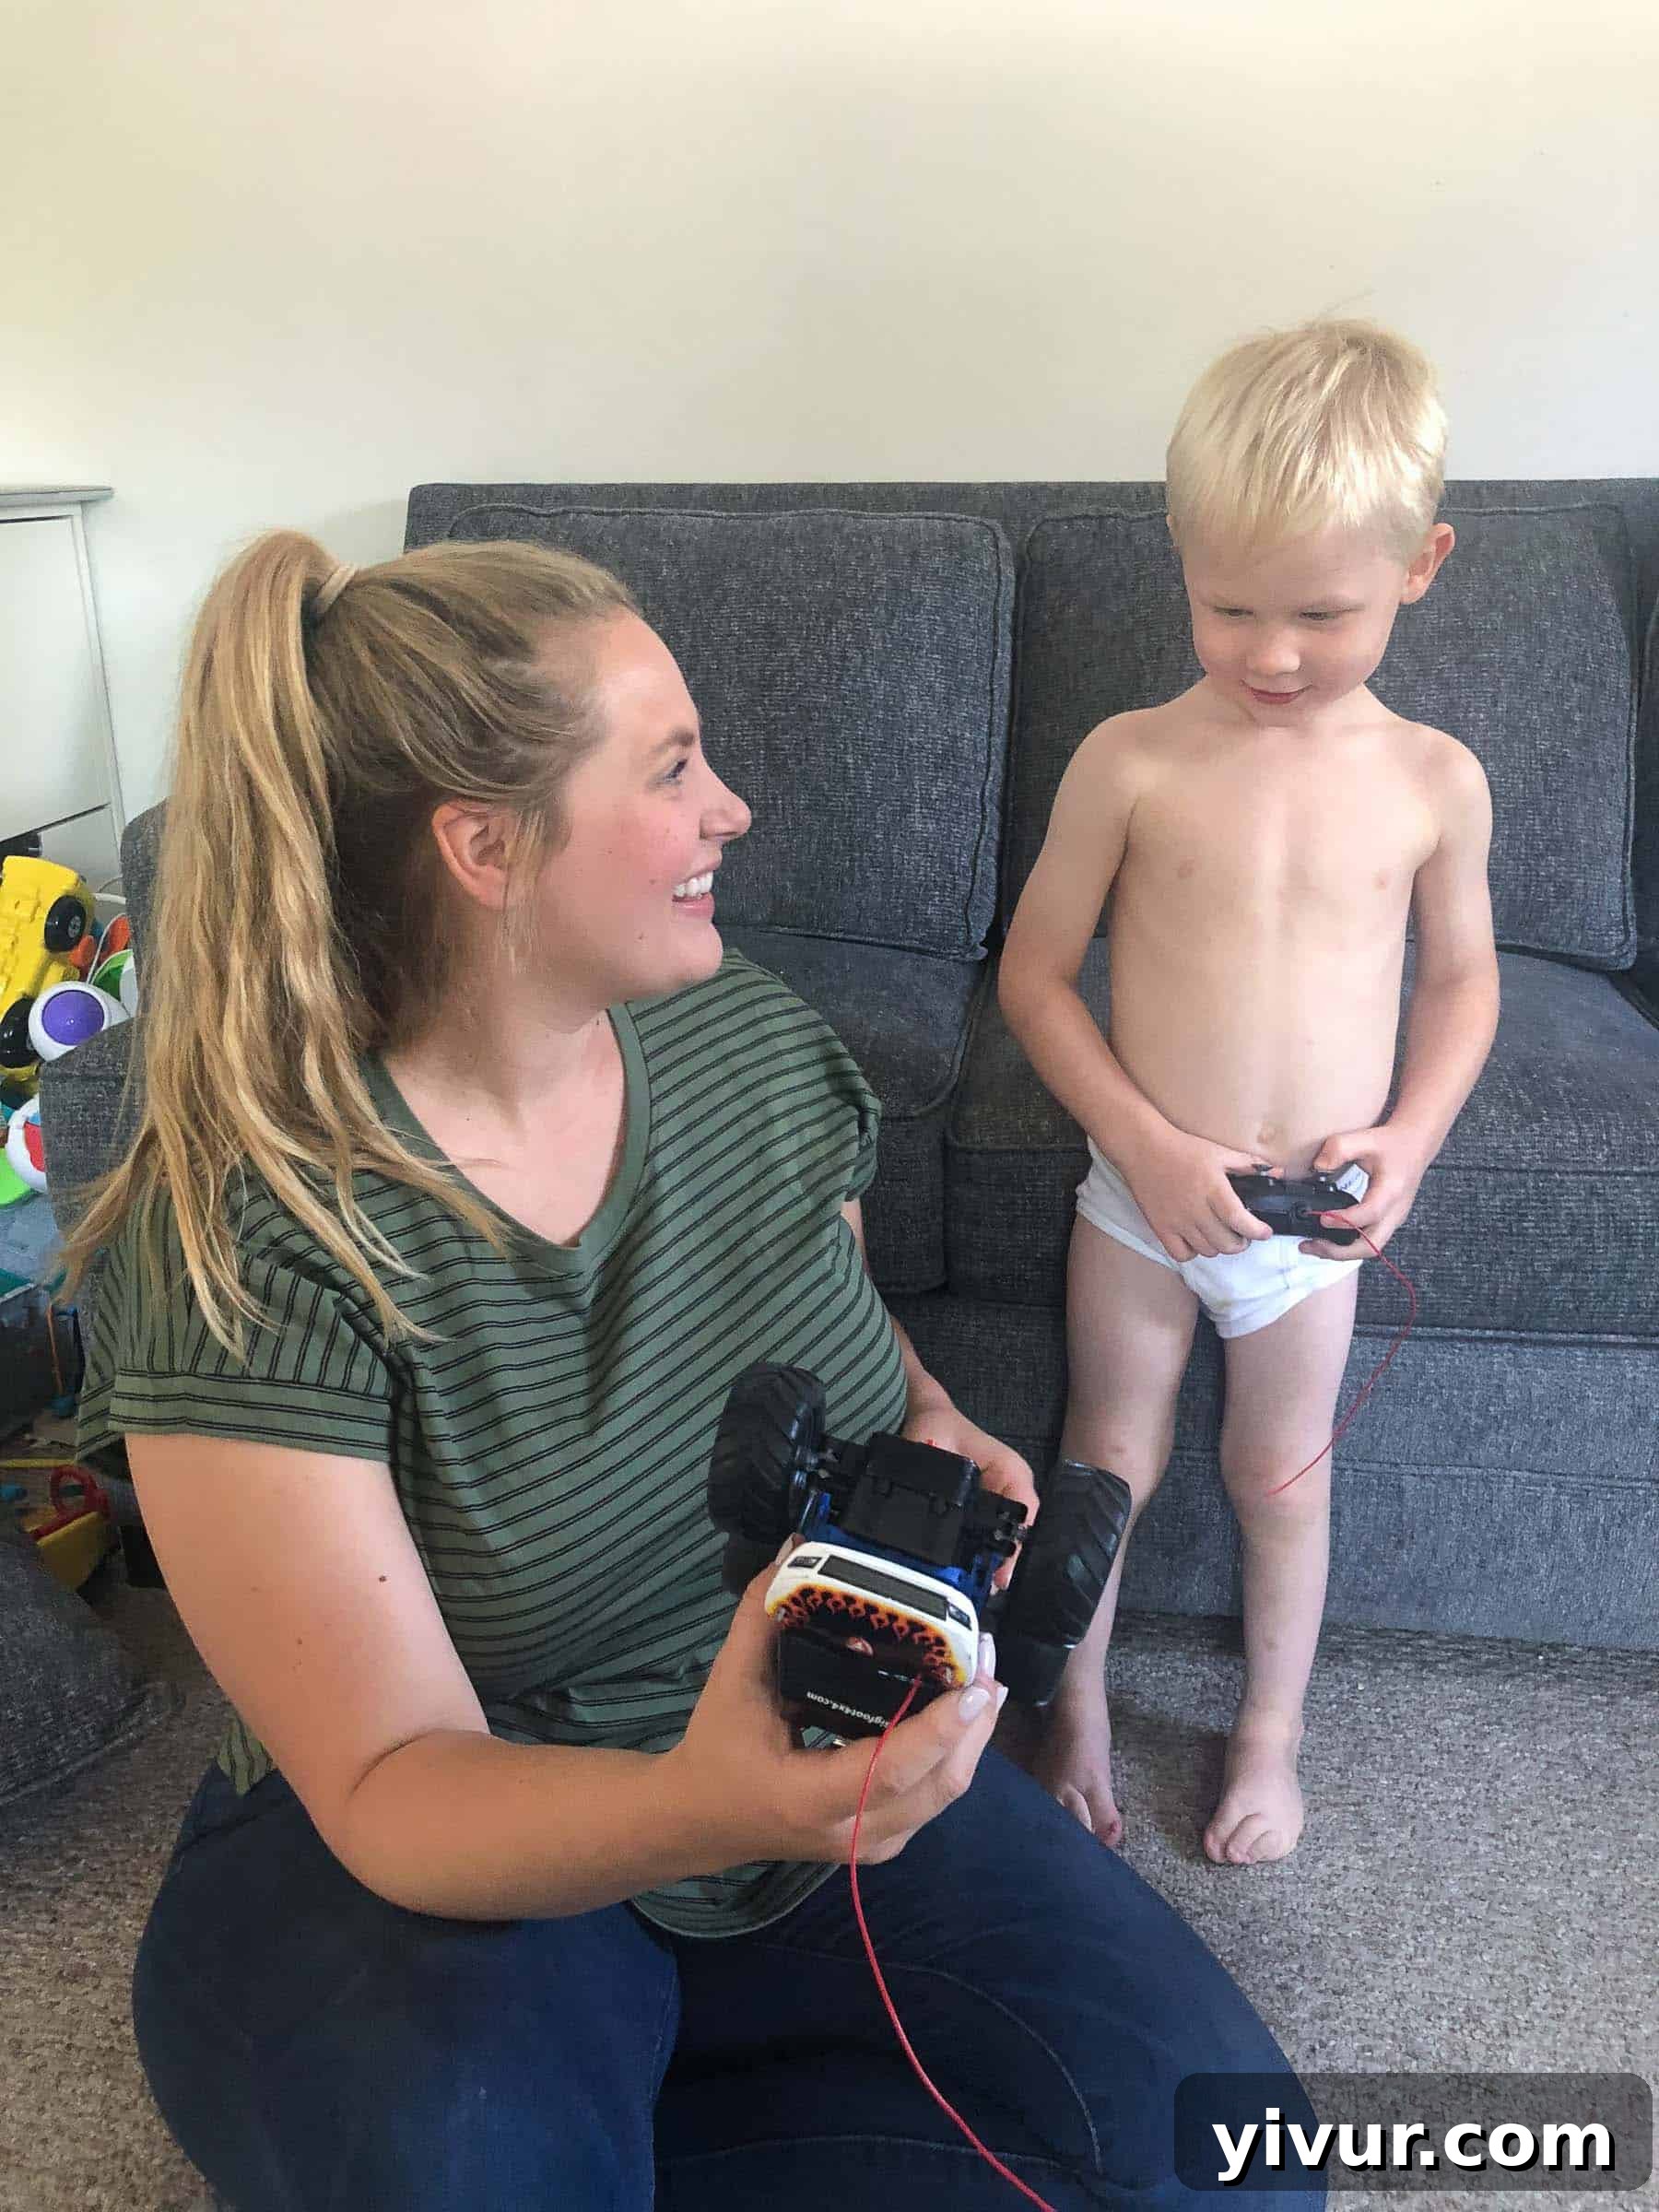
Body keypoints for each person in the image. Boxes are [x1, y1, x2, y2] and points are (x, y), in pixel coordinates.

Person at [66, 530, 1323, 2209]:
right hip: (448, 1834)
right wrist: (703, 1803)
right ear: (485, 846)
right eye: (673, 771)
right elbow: (385, 1788)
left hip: (797, 1745)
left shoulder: (742, 1039)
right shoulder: (259, 1234)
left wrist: (942, 1432)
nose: (732, 808)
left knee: (1237, 2167)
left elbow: (843, 1331)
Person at [999, 321, 1500, 1866]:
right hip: (1143, 1198)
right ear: (1179, 561)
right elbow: (1030, 977)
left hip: (1311, 1224)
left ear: (1421, 564)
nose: (1270, 653)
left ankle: (1269, 1739)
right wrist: (1140, 1145)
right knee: (1110, 1463)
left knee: (1280, 1479)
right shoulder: (1132, 760)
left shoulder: (1433, 777)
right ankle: (1068, 1702)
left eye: (1321, 612)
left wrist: (1411, 1141)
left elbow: (1464, 981)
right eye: (1228, 606)